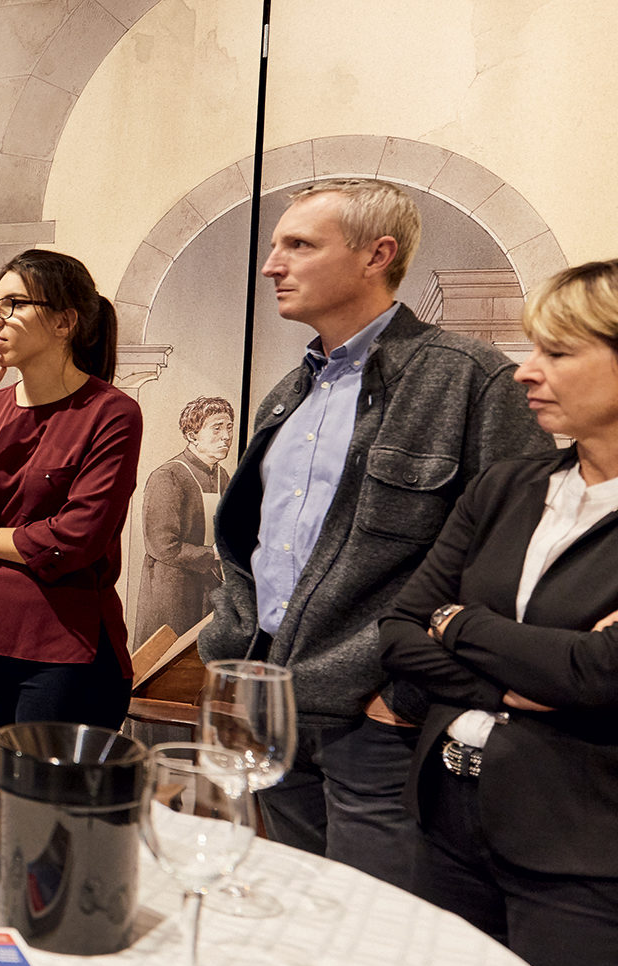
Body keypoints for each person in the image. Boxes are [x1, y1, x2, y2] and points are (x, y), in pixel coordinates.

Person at [198, 178, 551, 887]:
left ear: (376, 255)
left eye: (299, 244)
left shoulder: (469, 380)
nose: (273, 264)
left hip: (378, 723)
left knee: (374, 936)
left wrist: (405, 699)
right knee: (290, 904)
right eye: (275, 246)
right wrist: (234, 646)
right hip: (273, 705)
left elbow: (512, 563)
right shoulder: (286, 394)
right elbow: (251, 548)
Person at [378, 258, 618, 966]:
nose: (525, 372)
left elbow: (600, 675)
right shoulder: (507, 487)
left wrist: (463, 625)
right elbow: (402, 629)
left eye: (557, 352)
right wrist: (523, 674)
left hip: (579, 849)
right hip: (447, 814)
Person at [0, 249, 142, 787]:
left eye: (14, 303)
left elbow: (76, 538)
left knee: (42, 814)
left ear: (66, 320)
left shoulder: (111, 412)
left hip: (63, 645)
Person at [131, 396, 234, 644]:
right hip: (173, 595)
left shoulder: (223, 476)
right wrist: (214, 554)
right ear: (192, 435)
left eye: (229, 427)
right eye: (217, 428)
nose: (226, 436)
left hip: (211, 590)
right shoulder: (168, 476)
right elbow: (161, 546)